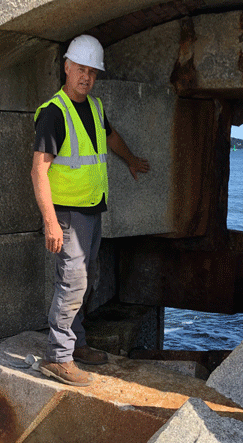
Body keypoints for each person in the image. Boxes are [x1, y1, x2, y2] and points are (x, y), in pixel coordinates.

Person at [31, 34, 150, 387]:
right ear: (67, 67)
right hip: (67, 214)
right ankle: (58, 357)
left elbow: (109, 136)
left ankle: (77, 343)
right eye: (81, 69)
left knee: (86, 280)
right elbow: (39, 169)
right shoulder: (54, 112)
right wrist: (50, 222)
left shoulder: (94, 107)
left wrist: (130, 160)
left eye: (93, 72)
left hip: (92, 210)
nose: (87, 77)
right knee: (73, 282)